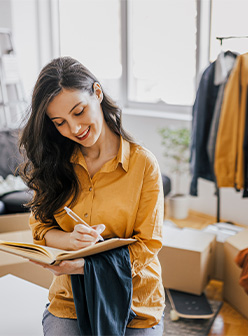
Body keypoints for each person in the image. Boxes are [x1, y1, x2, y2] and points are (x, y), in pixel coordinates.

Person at [19, 56, 165, 335]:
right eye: (59, 122)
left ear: (97, 93)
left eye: (79, 111)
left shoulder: (143, 165)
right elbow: (40, 230)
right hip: (70, 301)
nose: (74, 129)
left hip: (135, 303)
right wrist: (69, 240)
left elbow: (148, 244)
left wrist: (87, 267)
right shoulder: (53, 162)